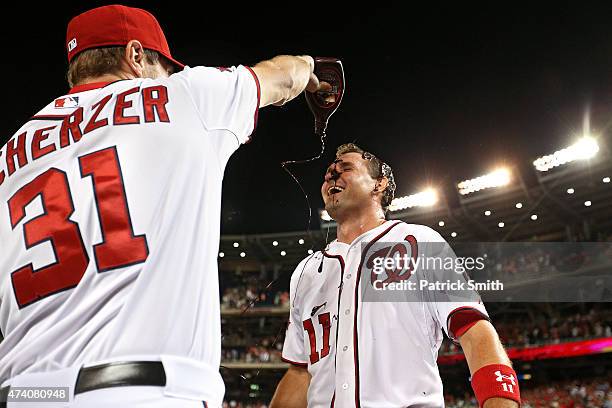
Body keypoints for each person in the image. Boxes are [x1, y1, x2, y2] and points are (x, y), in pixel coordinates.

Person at [0, 5, 327, 408]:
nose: (172, 74)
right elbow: (282, 77)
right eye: (166, 65)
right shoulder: (184, 94)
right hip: (145, 390)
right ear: (136, 55)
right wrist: (311, 67)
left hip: (24, 393)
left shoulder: (8, 153)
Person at [270, 143, 521, 407]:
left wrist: (500, 400)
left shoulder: (421, 241)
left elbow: (473, 327)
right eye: (329, 172)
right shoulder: (306, 272)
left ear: (379, 184)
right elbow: (300, 372)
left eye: (346, 168)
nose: (332, 175)